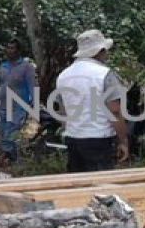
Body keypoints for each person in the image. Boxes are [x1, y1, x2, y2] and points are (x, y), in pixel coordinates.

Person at [55, 29, 129, 172]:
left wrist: (73, 130)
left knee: (77, 185)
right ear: (100, 51)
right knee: (100, 188)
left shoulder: (63, 76)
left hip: (73, 139)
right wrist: (123, 141)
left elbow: (62, 112)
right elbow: (114, 111)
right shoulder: (104, 74)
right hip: (98, 139)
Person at [0, 39, 36, 165]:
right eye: (8, 47)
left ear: (18, 50)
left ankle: (8, 156)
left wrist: (32, 103)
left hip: (19, 106)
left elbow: (32, 86)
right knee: (3, 134)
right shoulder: (3, 66)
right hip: (2, 105)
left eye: (13, 48)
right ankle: (12, 159)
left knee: (10, 133)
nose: (9, 50)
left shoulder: (26, 67)